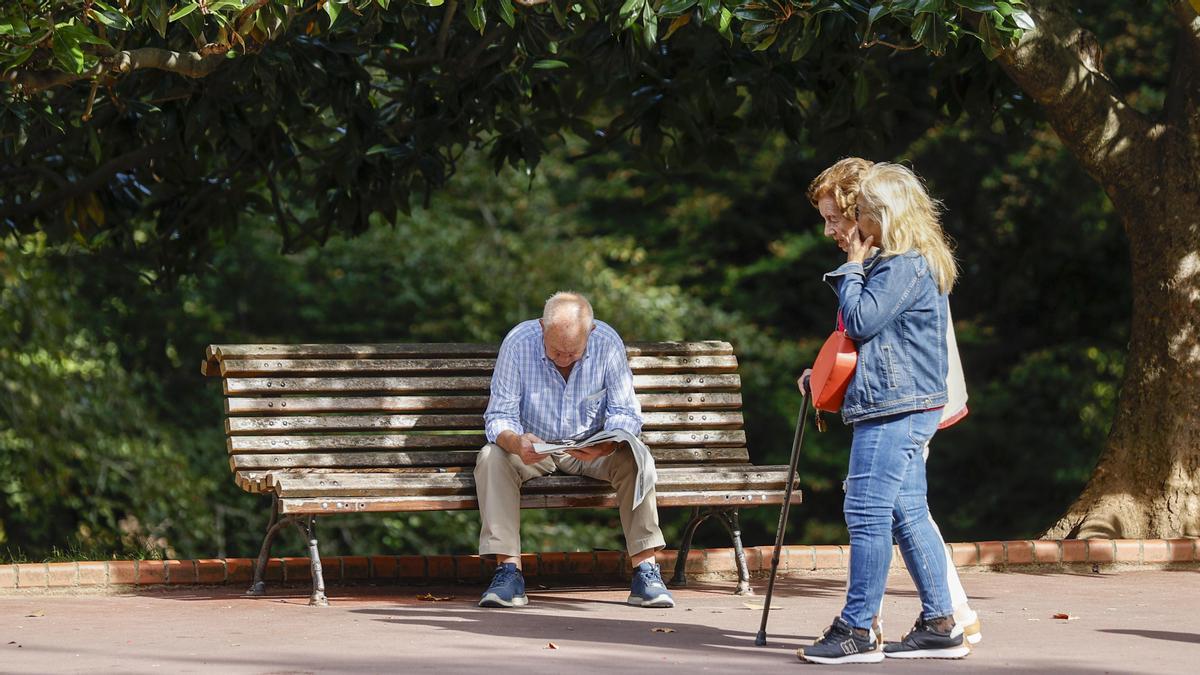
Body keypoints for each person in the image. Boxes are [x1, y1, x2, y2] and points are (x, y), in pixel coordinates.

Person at [804, 157, 981, 648]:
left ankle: (856, 628)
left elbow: (860, 322)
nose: (850, 225)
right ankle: (942, 623)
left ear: (882, 216)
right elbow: (880, 342)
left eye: (857, 213)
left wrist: (852, 268)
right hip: (902, 402)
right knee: (907, 509)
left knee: (865, 511)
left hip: (894, 409)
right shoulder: (906, 263)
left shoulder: (901, 264)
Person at [474, 291, 674, 609]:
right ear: (542, 327)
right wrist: (517, 443)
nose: (563, 359)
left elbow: (626, 413)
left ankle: (645, 571)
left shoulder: (607, 342)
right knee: (491, 457)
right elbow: (499, 417)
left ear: (590, 333)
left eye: (573, 353)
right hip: (536, 450)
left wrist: (607, 443)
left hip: (594, 448)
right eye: (555, 351)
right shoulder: (517, 342)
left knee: (637, 456)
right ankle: (508, 572)